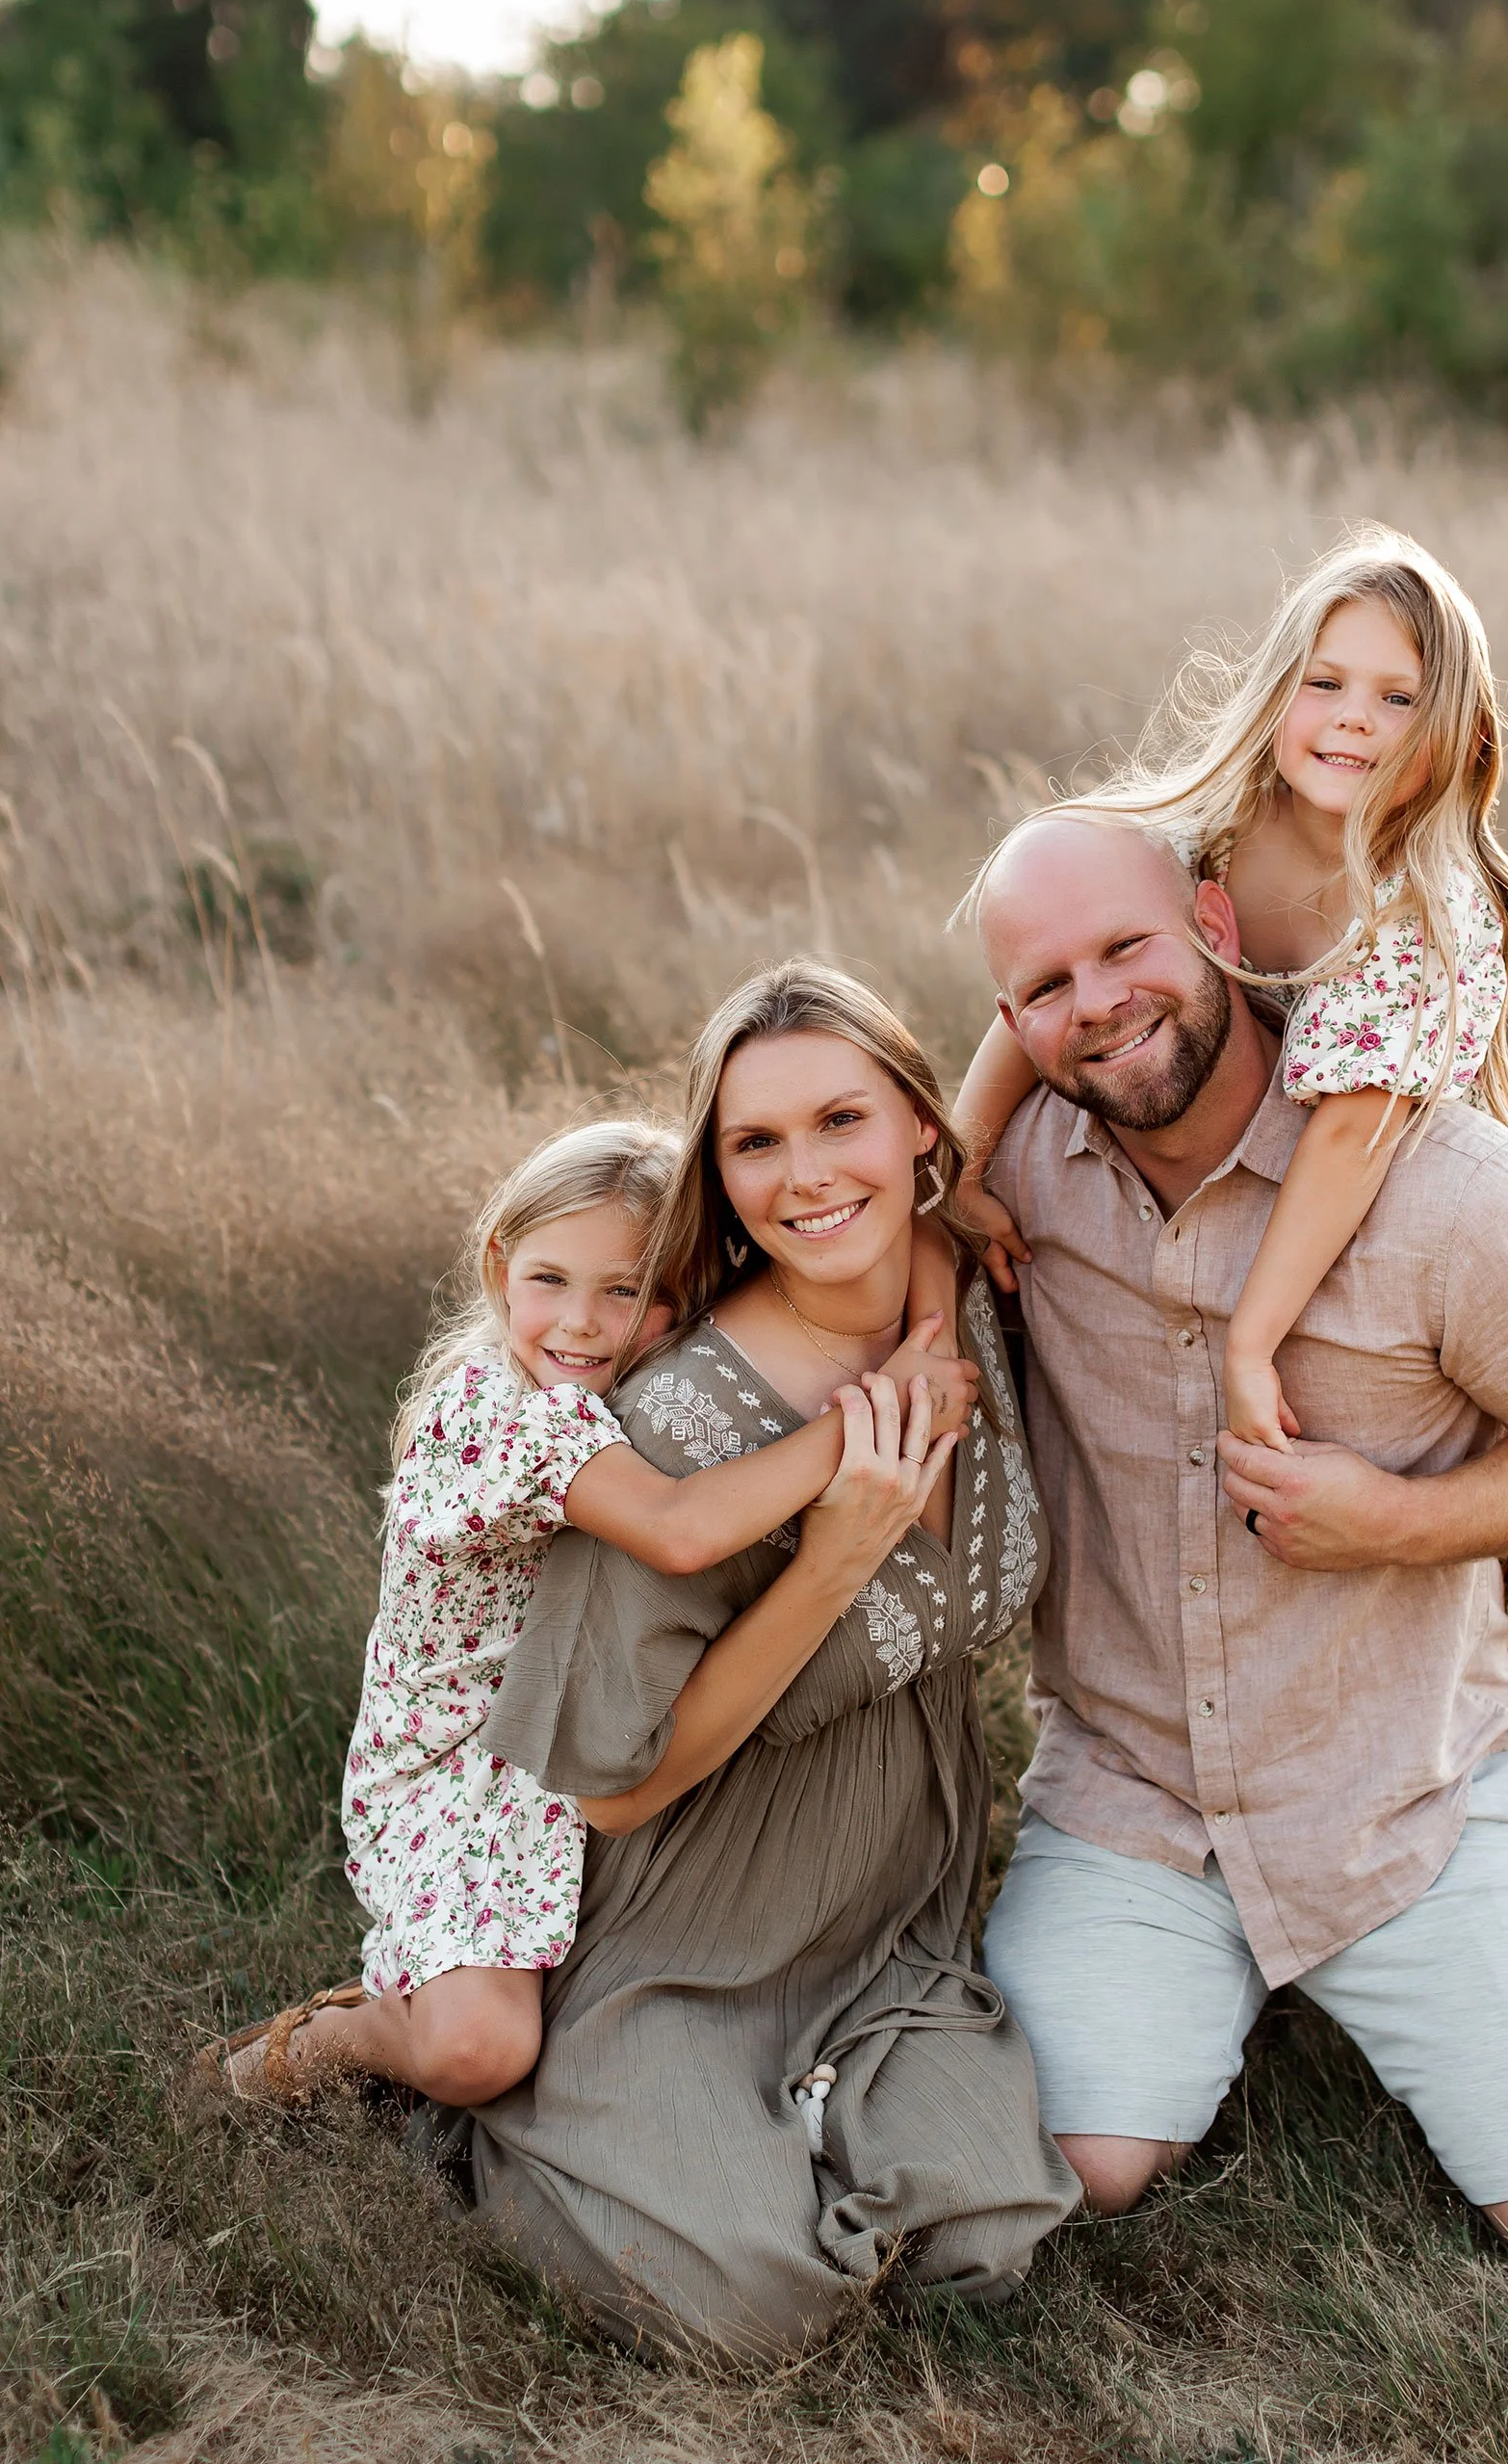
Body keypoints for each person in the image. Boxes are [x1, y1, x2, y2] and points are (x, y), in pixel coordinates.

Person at [969, 808, 1508, 2260]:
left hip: (1397, 1786)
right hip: (1137, 1788)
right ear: (1011, 1024)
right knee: (1076, 2162)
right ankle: (1232, 1977)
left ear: (1219, 936)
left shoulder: (1443, 1184)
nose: (1096, 1003)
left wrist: (1409, 1520)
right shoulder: (1017, 1183)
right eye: (1047, 985)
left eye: (1127, 948)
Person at [952, 530, 1508, 1947]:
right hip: (1256, 1146)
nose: (1353, 719)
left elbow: (1344, 1138)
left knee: (1507, 1555)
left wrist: (1254, 1336)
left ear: (1451, 724)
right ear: (1278, 692)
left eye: (1398, 698)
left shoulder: (1416, 898)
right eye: (1328, 682)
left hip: (1384, 1173)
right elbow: (1036, 993)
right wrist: (960, 1165)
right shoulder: (1205, 831)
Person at [451, 963, 1077, 2358]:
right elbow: (615, 1792)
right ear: (716, 1173)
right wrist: (837, 1557)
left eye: (841, 1120)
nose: (805, 1177)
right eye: (754, 1142)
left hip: (889, 1908)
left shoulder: (957, 1274)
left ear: (921, 1127)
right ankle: (526, 2110)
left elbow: (1049, 1003)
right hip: (688, 1915)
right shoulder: (681, 1431)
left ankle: (805, 2114)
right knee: (756, 2307)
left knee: (987, 2239)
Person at [200, 1115, 978, 2110]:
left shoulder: (653, 1367)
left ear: (688, 1288)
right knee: (476, 2053)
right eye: (550, 1280)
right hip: (460, 1768)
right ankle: (344, 2032)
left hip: (578, 1726)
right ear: (498, 1264)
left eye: (630, 1291)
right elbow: (680, 1531)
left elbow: (906, 1228)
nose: (581, 1324)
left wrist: (935, 1323)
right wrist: (876, 1414)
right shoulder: (498, 1414)